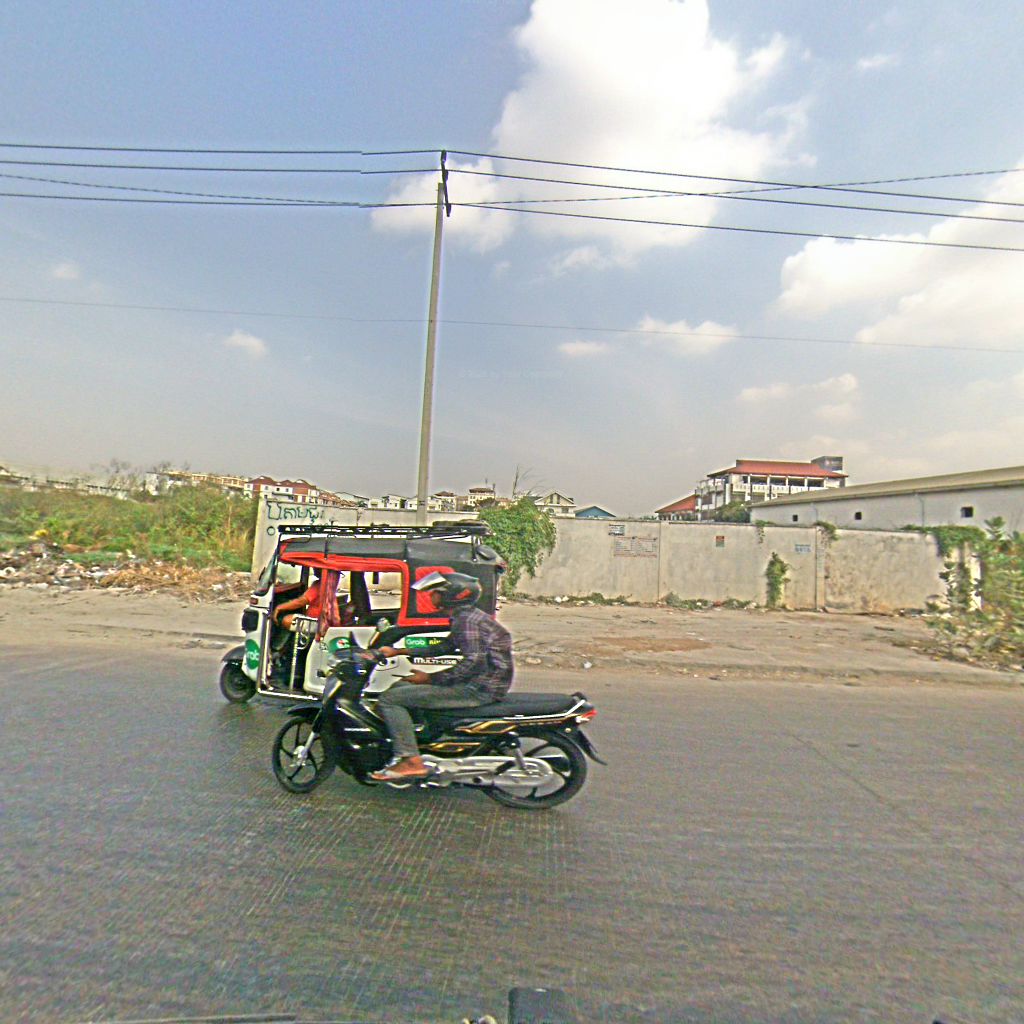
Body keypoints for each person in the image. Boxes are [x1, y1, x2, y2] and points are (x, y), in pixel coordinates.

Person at [369, 571, 514, 781]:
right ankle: (409, 737)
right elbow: (445, 646)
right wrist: (399, 651)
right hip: (480, 683)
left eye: (436, 592)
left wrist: (430, 679)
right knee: (399, 687)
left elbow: (474, 661)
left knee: (389, 700)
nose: (431, 596)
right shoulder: (466, 617)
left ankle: (411, 760)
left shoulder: (467, 621)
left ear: (453, 595)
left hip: (479, 689)